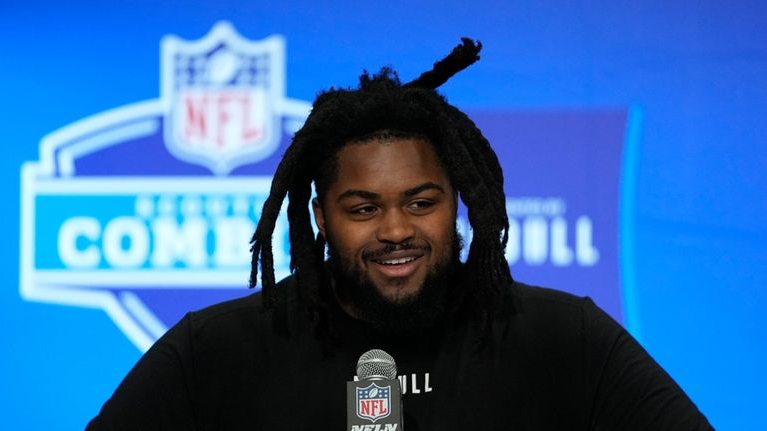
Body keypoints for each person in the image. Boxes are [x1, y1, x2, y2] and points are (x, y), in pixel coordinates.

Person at [87, 39, 712, 430]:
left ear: (457, 204)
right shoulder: (216, 350)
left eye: (421, 202)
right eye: (362, 208)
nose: (395, 230)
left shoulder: (562, 338)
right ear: (320, 219)